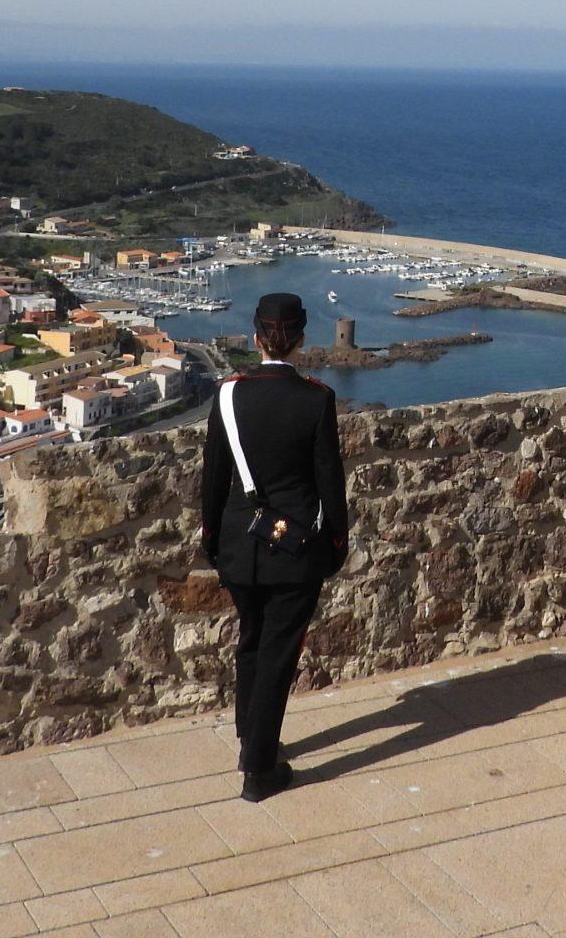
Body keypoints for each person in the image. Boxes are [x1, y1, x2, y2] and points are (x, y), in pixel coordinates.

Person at [201, 291, 349, 801]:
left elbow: (214, 478)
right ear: (302, 337)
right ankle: (260, 770)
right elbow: (330, 483)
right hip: (296, 548)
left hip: (240, 544)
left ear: (256, 334)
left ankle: (249, 741)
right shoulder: (316, 399)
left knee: (251, 642)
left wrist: (212, 542)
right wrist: (336, 543)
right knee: (277, 655)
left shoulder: (227, 395)